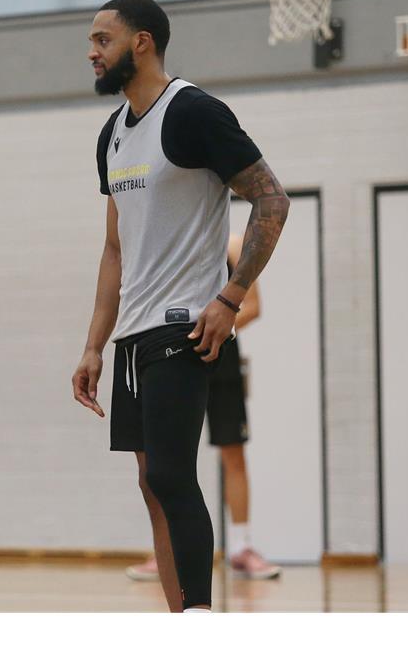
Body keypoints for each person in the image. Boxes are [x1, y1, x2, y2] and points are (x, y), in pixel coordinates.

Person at [71, 0, 289, 612]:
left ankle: (198, 617)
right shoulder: (111, 134)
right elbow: (114, 248)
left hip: (182, 326)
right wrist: (93, 344)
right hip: (132, 337)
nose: (91, 51)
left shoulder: (193, 112)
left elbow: (272, 200)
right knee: (151, 484)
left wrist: (231, 296)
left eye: (101, 39)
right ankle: (180, 615)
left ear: (141, 43)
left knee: (170, 476)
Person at [126, 234, 282, 583]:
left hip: (219, 355)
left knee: (233, 451)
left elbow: (253, 305)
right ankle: (164, 549)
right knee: (168, 459)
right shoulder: (173, 240)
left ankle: (241, 547)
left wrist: (207, 329)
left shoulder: (236, 244)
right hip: (173, 358)